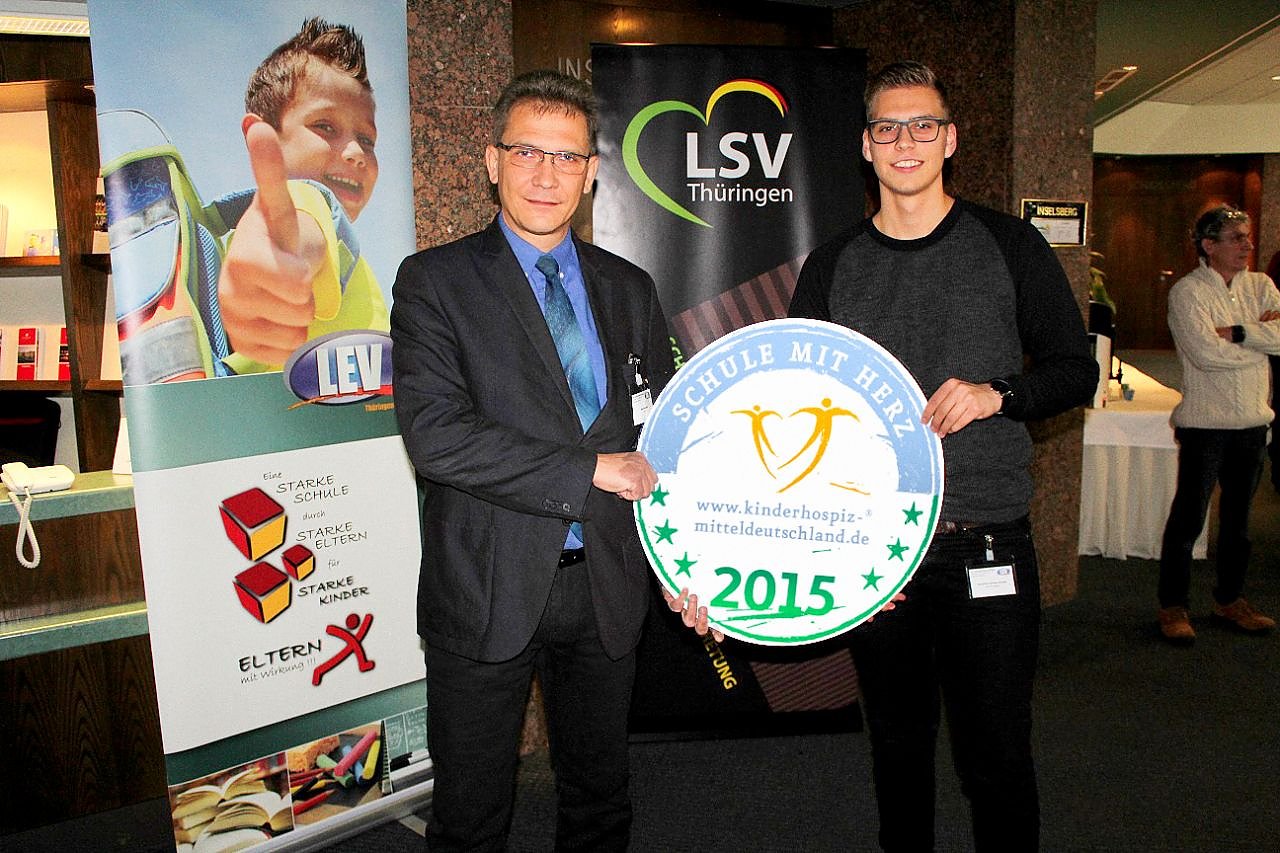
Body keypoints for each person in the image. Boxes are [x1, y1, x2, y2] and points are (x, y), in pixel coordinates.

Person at [390, 70, 712, 852]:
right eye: (527, 151)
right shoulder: (435, 282)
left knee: (601, 800)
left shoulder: (628, 286)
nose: (546, 173)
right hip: (487, 586)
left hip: (606, 584)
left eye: (567, 156)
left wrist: (690, 563)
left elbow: (663, 440)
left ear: (591, 173)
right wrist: (589, 470)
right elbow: (436, 435)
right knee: (471, 816)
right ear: (492, 161)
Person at [788, 60, 1095, 851]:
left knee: (996, 756)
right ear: (866, 145)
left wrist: (999, 392)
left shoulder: (1009, 244)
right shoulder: (832, 264)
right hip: (878, 551)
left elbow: (1075, 368)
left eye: (923, 125)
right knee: (897, 749)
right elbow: (798, 406)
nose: (906, 142)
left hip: (987, 541)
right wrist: (839, 553)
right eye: (887, 127)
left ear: (950, 139)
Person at [103, 17, 388, 382]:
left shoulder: (330, 250)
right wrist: (276, 256)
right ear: (265, 134)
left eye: (367, 140)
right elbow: (301, 224)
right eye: (325, 126)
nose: (355, 153)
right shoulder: (306, 201)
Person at [1156, 206, 1280, 643]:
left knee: (1239, 524)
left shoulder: (1261, 285)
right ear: (1209, 245)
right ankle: (1173, 606)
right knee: (1188, 519)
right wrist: (1262, 344)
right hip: (1205, 427)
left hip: (1253, 424)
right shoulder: (1188, 292)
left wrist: (1239, 333)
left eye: (1247, 236)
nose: (1248, 245)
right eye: (1236, 238)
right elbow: (1205, 354)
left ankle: (1230, 599)